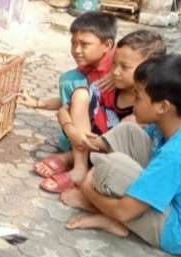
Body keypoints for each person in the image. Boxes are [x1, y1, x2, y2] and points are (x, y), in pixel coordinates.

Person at [61, 54, 181, 256]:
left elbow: (124, 211)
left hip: (180, 233)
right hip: (175, 200)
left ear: (163, 107)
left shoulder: (176, 155)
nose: (133, 103)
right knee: (128, 132)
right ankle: (113, 212)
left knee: (110, 167)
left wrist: (86, 187)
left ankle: (106, 215)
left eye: (138, 98)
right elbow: (130, 136)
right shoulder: (176, 126)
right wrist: (74, 129)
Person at [41, 30, 166, 193]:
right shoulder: (108, 87)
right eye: (114, 63)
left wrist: (81, 138)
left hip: (115, 158)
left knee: (130, 125)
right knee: (80, 94)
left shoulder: (148, 106)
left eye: (124, 67)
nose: (115, 72)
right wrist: (71, 131)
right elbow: (64, 110)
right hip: (86, 141)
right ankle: (79, 168)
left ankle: (72, 159)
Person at [18, 11, 116, 185]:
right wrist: (36, 103)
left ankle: (75, 161)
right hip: (88, 134)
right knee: (72, 81)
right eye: (73, 43)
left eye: (84, 44)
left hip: (113, 137)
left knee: (73, 84)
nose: (76, 50)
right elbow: (70, 103)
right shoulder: (87, 71)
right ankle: (78, 157)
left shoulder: (118, 69)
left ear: (107, 45)